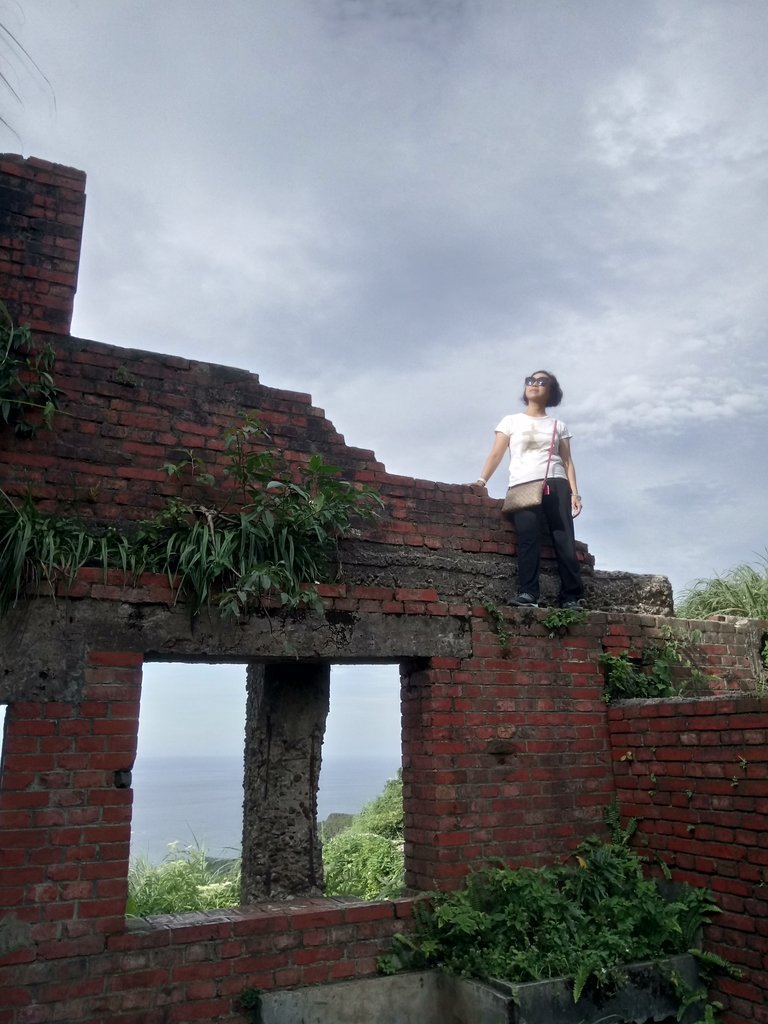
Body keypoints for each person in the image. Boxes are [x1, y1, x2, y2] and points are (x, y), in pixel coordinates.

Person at [474, 370, 584, 608]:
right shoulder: (511, 421)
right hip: (522, 484)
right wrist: (482, 481)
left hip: (556, 483)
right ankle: (528, 593)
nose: (534, 384)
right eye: (530, 380)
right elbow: (496, 453)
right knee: (528, 539)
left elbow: (567, 462)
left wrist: (575, 493)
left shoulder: (558, 425)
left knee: (564, 539)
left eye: (542, 382)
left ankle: (572, 597)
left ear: (551, 391)